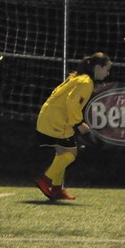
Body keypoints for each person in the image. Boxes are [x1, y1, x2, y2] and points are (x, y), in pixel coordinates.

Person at [34, 52, 112, 201]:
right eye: (107, 69)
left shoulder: (77, 77)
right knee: (71, 153)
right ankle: (45, 180)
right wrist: (78, 123)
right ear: (98, 67)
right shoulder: (86, 83)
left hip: (48, 116)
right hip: (58, 119)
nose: (107, 73)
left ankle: (57, 189)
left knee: (62, 153)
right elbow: (72, 102)